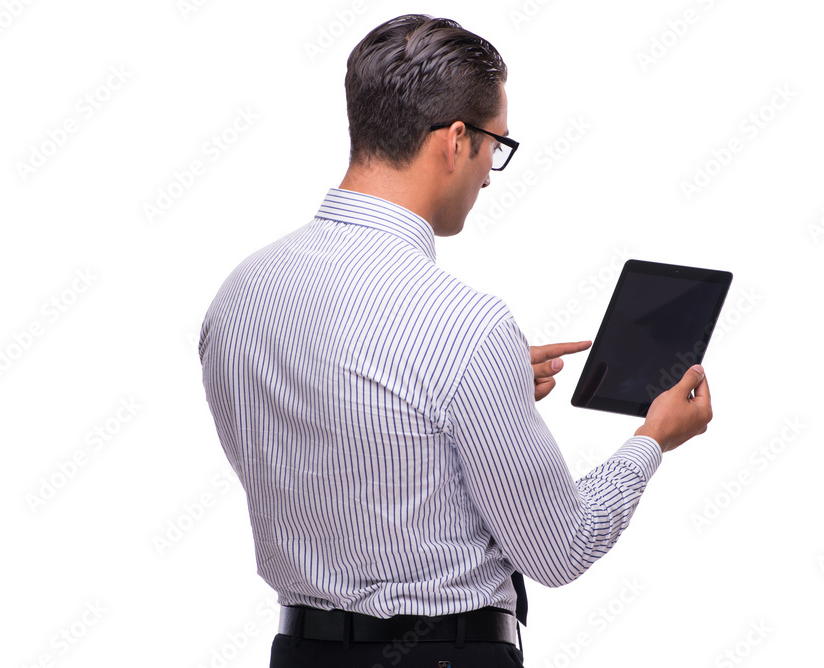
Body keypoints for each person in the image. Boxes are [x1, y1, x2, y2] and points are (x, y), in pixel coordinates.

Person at [198, 14, 713, 668]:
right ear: (456, 140)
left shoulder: (239, 295)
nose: (491, 173)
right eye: (496, 145)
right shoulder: (467, 329)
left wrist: (466, 399)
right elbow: (561, 548)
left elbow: (334, 428)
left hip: (298, 653)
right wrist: (653, 438)